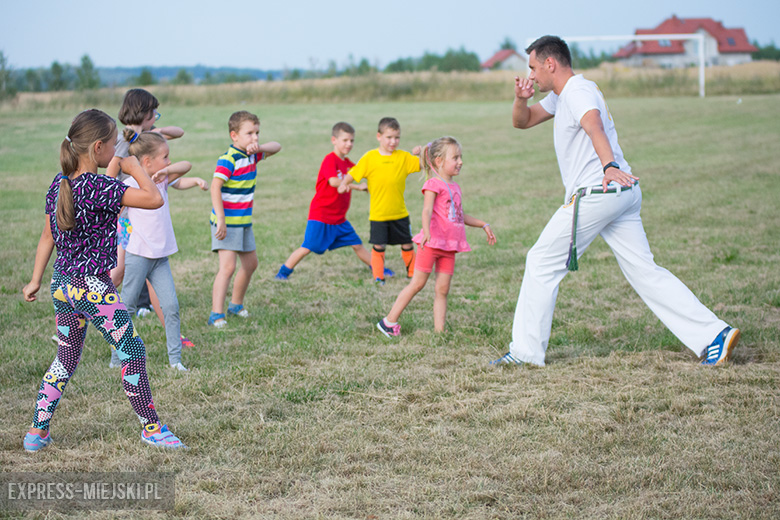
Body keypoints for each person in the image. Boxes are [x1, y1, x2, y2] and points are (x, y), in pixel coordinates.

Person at [492, 35, 740, 367]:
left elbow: (593, 124)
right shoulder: (561, 95)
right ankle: (715, 335)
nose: (532, 75)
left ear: (550, 64)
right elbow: (521, 121)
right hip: (621, 193)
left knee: (540, 261)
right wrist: (520, 100)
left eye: (534, 67)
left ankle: (524, 353)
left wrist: (609, 166)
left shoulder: (578, 92)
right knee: (645, 272)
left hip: (600, 192)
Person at [22, 109, 185, 452]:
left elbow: (46, 237)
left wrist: (35, 280)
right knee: (134, 351)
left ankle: (37, 431)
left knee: (65, 358)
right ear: (98, 148)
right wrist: (133, 166)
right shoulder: (100, 187)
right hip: (93, 288)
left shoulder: (59, 184)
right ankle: (151, 427)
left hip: (62, 285)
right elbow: (154, 199)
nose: (118, 149)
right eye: (114, 144)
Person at [377, 137, 496, 337]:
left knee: (443, 290)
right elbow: (427, 210)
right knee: (418, 284)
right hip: (430, 244)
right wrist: (427, 232)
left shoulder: (455, 187)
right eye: (455, 157)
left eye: (461, 157)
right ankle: (388, 321)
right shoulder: (433, 184)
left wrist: (483, 224)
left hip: (450, 246)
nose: (460, 161)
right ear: (439, 161)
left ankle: (440, 332)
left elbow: (459, 215)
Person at [109, 131, 206, 372]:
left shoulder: (161, 178)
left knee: (171, 307)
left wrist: (168, 173)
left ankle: (175, 361)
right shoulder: (130, 186)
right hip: (138, 256)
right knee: (127, 307)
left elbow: (186, 166)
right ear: (147, 162)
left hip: (160, 259)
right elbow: (115, 212)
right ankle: (117, 358)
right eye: (165, 157)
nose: (170, 161)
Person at [275, 122, 392, 281]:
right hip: (321, 216)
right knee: (307, 247)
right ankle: (283, 272)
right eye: (345, 140)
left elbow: (363, 171)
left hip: (339, 219)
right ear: (334, 140)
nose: (349, 144)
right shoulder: (330, 160)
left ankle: (379, 269)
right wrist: (358, 187)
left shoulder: (348, 163)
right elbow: (334, 182)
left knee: (357, 245)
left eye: (351, 141)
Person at [209, 110, 281, 328]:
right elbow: (215, 187)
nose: (255, 138)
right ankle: (216, 314)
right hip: (227, 224)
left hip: (243, 222)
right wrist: (221, 219)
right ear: (234, 136)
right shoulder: (229, 159)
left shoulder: (253, 155)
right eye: (249, 134)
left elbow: (277, 146)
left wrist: (259, 147)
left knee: (251, 264)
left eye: (257, 133)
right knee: (228, 267)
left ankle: (236, 305)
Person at [337, 117, 421, 285]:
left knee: (406, 244)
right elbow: (354, 173)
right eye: (389, 137)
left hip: (400, 213)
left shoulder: (404, 157)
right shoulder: (370, 158)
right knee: (379, 246)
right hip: (379, 214)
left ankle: (412, 274)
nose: (393, 141)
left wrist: (423, 151)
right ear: (379, 136)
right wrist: (344, 183)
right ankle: (378, 277)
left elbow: (423, 164)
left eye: (397, 137)